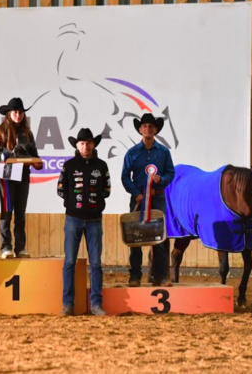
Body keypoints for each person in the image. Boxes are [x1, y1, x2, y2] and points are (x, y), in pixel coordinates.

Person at [57, 128, 111, 316]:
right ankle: (67, 304)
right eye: (82, 143)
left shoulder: (102, 165)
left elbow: (107, 190)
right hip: (73, 219)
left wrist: (95, 206)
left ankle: (96, 304)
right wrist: (73, 205)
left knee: (96, 263)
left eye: (88, 143)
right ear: (77, 145)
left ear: (93, 144)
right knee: (69, 261)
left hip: (95, 220)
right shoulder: (69, 165)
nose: (85, 146)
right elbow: (61, 189)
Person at [0, 97, 43, 259]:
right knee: (6, 211)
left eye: (20, 112)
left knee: (20, 213)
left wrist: (37, 163)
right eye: (15, 112)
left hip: (23, 175)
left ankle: (20, 248)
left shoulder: (28, 133)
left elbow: (35, 156)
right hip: (6, 177)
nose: (18, 115)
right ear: (9, 114)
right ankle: (6, 247)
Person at [121, 113, 175, 287]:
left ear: (156, 130)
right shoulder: (132, 153)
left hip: (157, 199)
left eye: (151, 126)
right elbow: (124, 177)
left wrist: (162, 180)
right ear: (140, 130)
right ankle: (135, 275)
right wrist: (136, 193)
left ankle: (160, 276)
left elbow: (170, 173)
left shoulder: (164, 152)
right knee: (135, 238)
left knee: (160, 239)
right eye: (144, 126)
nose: (148, 129)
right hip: (138, 199)